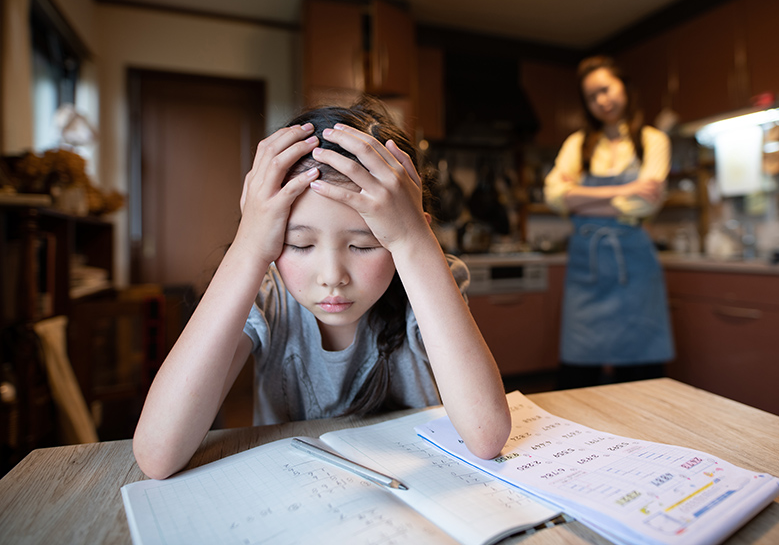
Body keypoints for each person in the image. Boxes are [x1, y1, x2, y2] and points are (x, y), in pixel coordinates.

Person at [133, 99, 511, 480]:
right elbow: (157, 455)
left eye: (363, 245)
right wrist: (247, 248)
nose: (332, 276)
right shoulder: (268, 296)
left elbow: (486, 435)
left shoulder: (429, 280)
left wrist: (416, 243)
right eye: (299, 245)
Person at [543, 55, 674, 388]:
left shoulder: (653, 140)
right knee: (576, 377)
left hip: (636, 269)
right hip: (586, 269)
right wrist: (628, 188)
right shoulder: (577, 144)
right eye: (591, 96)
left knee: (642, 378)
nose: (602, 100)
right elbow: (553, 195)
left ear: (624, 87)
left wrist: (581, 199)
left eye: (606, 89)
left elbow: (645, 203)